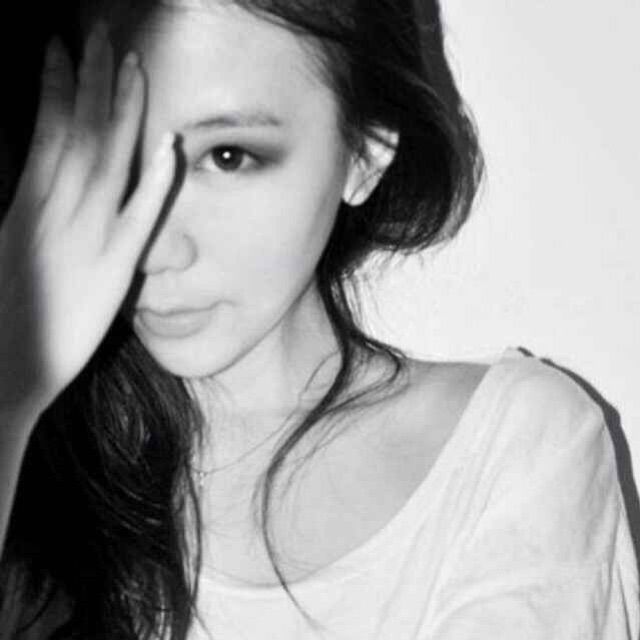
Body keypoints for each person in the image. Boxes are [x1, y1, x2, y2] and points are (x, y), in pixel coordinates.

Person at [0, 0, 637, 638]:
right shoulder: (32, 457)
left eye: (228, 156)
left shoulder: (509, 451)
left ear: (366, 152)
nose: (157, 249)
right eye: (115, 155)